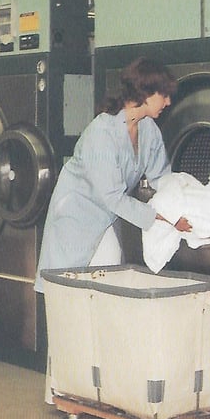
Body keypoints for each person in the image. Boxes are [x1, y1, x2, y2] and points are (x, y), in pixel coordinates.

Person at [34, 57, 191, 292]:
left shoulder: (149, 130)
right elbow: (113, 198)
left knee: (107, 284)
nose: (168, 102)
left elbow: (161, 177)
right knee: (69, 293)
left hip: (106, 218)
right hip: (76, 217)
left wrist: (187, 199)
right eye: (164, 94)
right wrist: (167, 219)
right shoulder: (102, 133)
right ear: (145, 93)